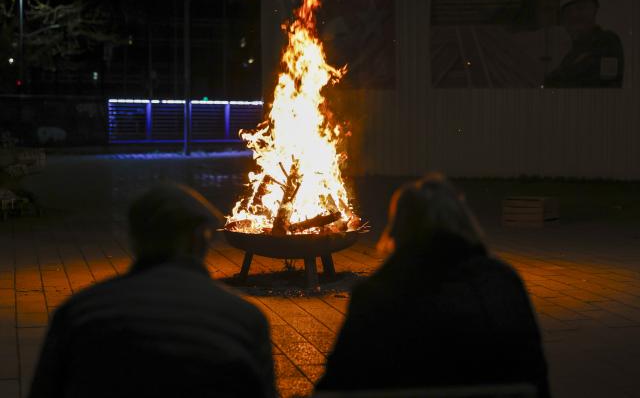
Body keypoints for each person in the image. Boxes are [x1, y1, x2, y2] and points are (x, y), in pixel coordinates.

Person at [29, 184, 276, 398]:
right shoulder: (244, 318)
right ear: (198, 239)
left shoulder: (78, 311)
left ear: (134, 240)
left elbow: (45, 390)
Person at [316, 173, 550, 397]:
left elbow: (335, 387)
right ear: (464, 223)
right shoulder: (503, 284)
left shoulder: (374, 295)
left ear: (398, 230)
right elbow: (537, 379)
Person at [544, 0, 624, 88]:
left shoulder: (607, 41)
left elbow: (601, 83)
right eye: (568, 12)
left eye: (580, 8)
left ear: (594, 10)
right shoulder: (573, 52)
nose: (574, 15)